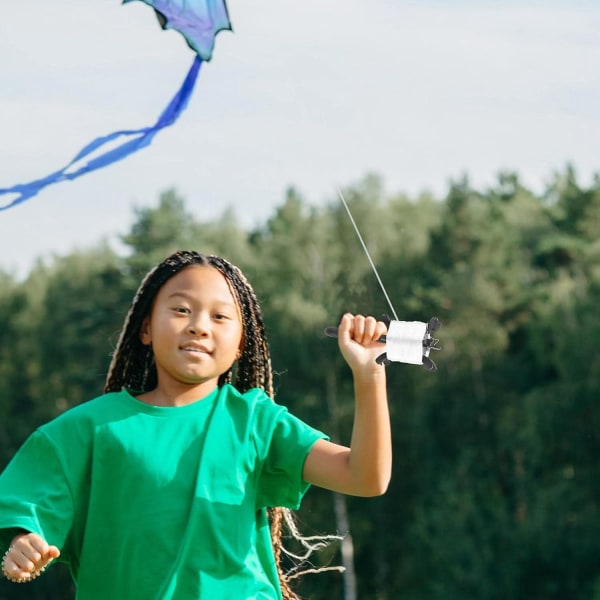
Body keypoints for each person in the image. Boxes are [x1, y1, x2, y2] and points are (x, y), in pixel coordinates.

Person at [0, 250, 391, 599]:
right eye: (181, 310)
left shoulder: (255, 421)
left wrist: (369, 375)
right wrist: (24, 543)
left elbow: (365, 477)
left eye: (220, 316)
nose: (199, 326)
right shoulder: (88, 428)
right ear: (146, 328)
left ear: (241, 342)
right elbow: (27, 510)